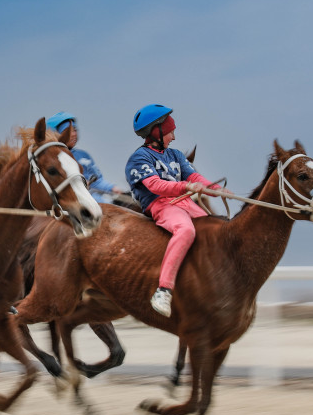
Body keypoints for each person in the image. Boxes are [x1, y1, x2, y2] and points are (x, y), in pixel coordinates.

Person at [125, 105, 224, 317]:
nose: (174, 137)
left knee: (215, 230)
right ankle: (163, 290)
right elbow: (156, 186)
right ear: (155, 131)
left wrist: (216, 189)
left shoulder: (175, 155)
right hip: (161, 205)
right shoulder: (139, 158)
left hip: (185, 202)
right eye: (170, 132)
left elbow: (194, 177)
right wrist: (185, 187)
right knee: (185, 231)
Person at [45, 112, 127, 204]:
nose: (73, 134)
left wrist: (113, 188)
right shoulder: (53, 160)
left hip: (99, 200)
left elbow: (97, 180)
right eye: (67, 131)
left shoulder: (83, 155)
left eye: (75, 130)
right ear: (55, 135)